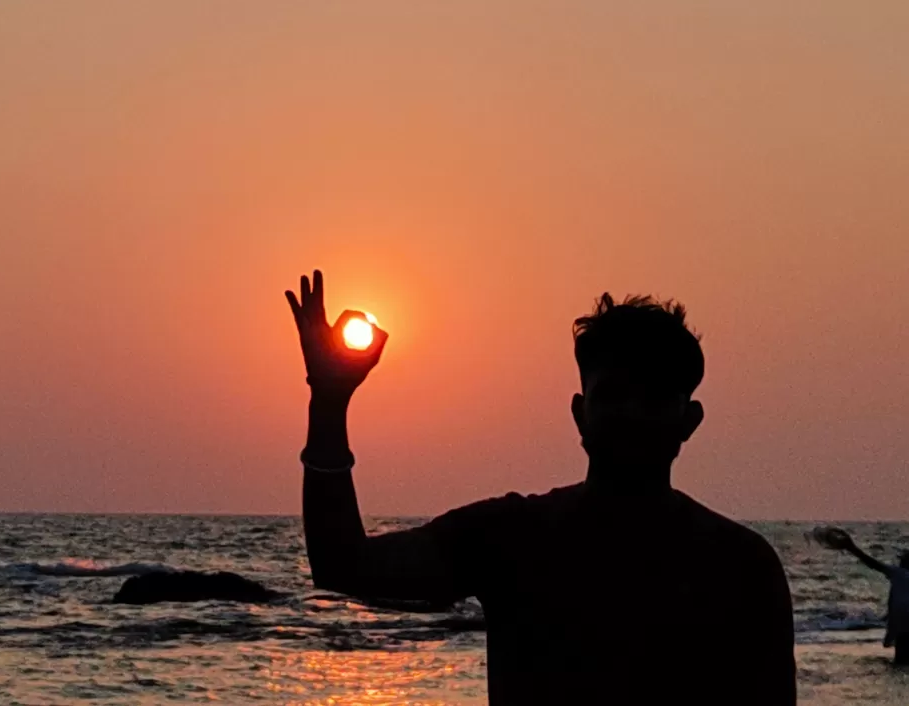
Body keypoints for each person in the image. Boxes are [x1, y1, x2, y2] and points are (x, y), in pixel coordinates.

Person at [286, 269, 795, 705]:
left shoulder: (741, 566)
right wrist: (329, 402)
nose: (632, 414)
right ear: (580, 415)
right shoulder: (511, 537)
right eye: (613, 395)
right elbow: (343, 565)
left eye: (655, 398)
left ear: (689, 420)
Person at [816, 527, 909, 664]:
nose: (900, 562)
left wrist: (852, 548)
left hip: (902, 619)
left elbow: (872, 563)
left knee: (900, 658)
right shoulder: (900, 575)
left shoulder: (897, 572)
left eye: (903, 560)